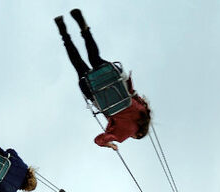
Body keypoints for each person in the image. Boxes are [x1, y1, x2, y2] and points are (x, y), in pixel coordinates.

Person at [54, 9, 151, 149]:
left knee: (94, 58)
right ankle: (63, 33)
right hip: (96, 92)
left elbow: (132, 91)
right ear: (138, 135)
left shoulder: (142, 110)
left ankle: (85, 30)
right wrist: (110, 144)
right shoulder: (122, 135)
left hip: (113, 79)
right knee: (79, 65)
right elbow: (99, 140)